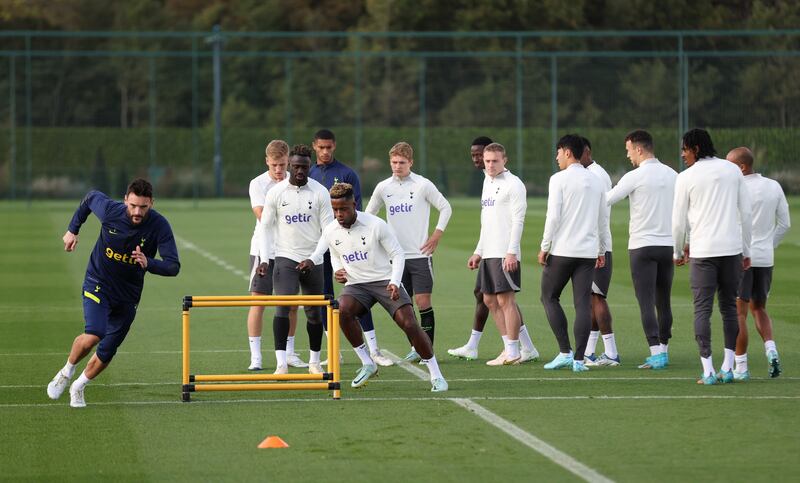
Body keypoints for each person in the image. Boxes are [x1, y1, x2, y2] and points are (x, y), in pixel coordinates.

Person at [298, 183, 448, 391]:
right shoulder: (331, 229)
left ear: (354, 204)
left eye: (343, 209)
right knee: (341, 310)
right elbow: (328, 251)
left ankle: (436, 375)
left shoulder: (376, 225)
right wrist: (331, 267)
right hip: (357, 285)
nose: (339, 214)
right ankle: (367, 363)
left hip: (385, 281)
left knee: (409, 323)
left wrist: (395, 281)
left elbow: (397, 254)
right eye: (335, 210)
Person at [46, 179, 180, 407]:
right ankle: (66, 372)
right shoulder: (110, 210)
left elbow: (173, 266)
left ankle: (78, 387)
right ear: (125, 199)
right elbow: (90, 197)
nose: (137, 212)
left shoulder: (159, 226)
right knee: (95, 333)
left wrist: (149, 262)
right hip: (98, 282)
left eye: (143, 207)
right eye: (133, 205)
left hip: (128, 295)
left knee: (107, 352)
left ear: (152, 204)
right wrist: (72, 230)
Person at [672, 128, 752, 385]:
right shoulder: (732, 170)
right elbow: (746, 214)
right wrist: (747, 251)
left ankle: (708, 370)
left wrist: (677, 249)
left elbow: (678, 221)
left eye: (684, 149)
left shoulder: (686, 177)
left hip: (703, 252)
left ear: (695, 149)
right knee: (730, 308)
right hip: (731, 250)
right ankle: (728, 368)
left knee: (702, 310)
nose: (682, 154)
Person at [448, 136, 537, 364]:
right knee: (488, 300)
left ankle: (514, 352)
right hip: (489, 253)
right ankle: (509, 348)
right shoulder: (487, 181)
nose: (489, 165)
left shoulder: (514, 184)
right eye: (487, 161)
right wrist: (479, 251)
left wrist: (511, 252)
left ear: (504, 160)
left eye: (494, 161)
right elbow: (486, 222)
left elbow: (518, 221)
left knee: (506, 301)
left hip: (504, 253)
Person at [309, 129, 392, 367]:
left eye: (329, 147)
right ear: (315, 146)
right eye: (321, 147)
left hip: (346, 245)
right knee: (324, 298)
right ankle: (334, 351)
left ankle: (374, 350)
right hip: (319, 245)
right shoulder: (309, 175)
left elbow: (358, 211)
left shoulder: (346, 173)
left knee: (359, 293)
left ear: (334, 146)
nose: (325, 151)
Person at [365, 142, 452, 361]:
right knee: (404, 306)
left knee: (423, 302)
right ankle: (416, 347)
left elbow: (445, 207)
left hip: (420, 256)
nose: (397, 166)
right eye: (394, 162)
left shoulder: (423, 185)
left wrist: (436, 235)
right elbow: (369, 215)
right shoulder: (383, 187)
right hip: (396, 257)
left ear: (410, 162)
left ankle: (427, 350)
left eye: (402, 162)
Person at [258, 144, 334, 375]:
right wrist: (264, 259)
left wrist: (313, 258)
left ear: (310, 167)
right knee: (283, 306)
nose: (300, 171)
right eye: (296, 166)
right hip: (285, 257)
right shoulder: (276, 192)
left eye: (305, 167)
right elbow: (266, 228)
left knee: (313, 311)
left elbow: (328, 231)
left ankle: (314, 361)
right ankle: (281, 363)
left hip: (313, 259)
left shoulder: (320, 192)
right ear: (290, 165)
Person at [606, 130, 677, 370]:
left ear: (638, 149)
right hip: (668, 245)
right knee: (663, 301)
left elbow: (607, 199)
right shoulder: (673, 175)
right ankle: (664, 350)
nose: (627, 155)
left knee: (646, 302)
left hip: (642, 246)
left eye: (628, 150)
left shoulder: (634, 176)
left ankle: (656, 353)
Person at [539, 134, 609, 373]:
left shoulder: (558, 179)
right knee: (582, 304)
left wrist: (545, 246)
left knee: (549, 297)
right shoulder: (597, 180)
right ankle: (579, 361)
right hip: (588, 253)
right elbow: (602, 220)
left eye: (558, 152)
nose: (557, 157)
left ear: (568, 152)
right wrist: (601, 250)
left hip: (562, 251)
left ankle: (565, 352)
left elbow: (553, 217)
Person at [726, 147, 790, 381]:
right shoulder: (773, 186)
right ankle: (770, 348)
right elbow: (785, 224)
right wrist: (767, 247)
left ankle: (741, 367)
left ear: (742, 167)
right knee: (759, 308)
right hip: (765, 258)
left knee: (738, 312)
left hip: (741, 256)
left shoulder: (736, 187)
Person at [245, 140, 304, 371]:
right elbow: (262, 217)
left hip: (289, 251)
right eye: (274, 165)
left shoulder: (296, 182)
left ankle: (289, 353)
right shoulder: (258, 184)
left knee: (290, 304)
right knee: (258, 302)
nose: (279, 170)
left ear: (288, 161)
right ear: (266, 161)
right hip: (263, 249)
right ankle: (256, 357)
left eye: (282, 164)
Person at [579, 137, 619, 367]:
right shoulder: (593, 173)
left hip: (597, 246)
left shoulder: (596, 175)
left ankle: (612, 353)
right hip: (594, 244)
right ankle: (590, 351)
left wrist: (599, 248)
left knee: (597, 297)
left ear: (586, 152)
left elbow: (601, 213)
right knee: (592, 298)